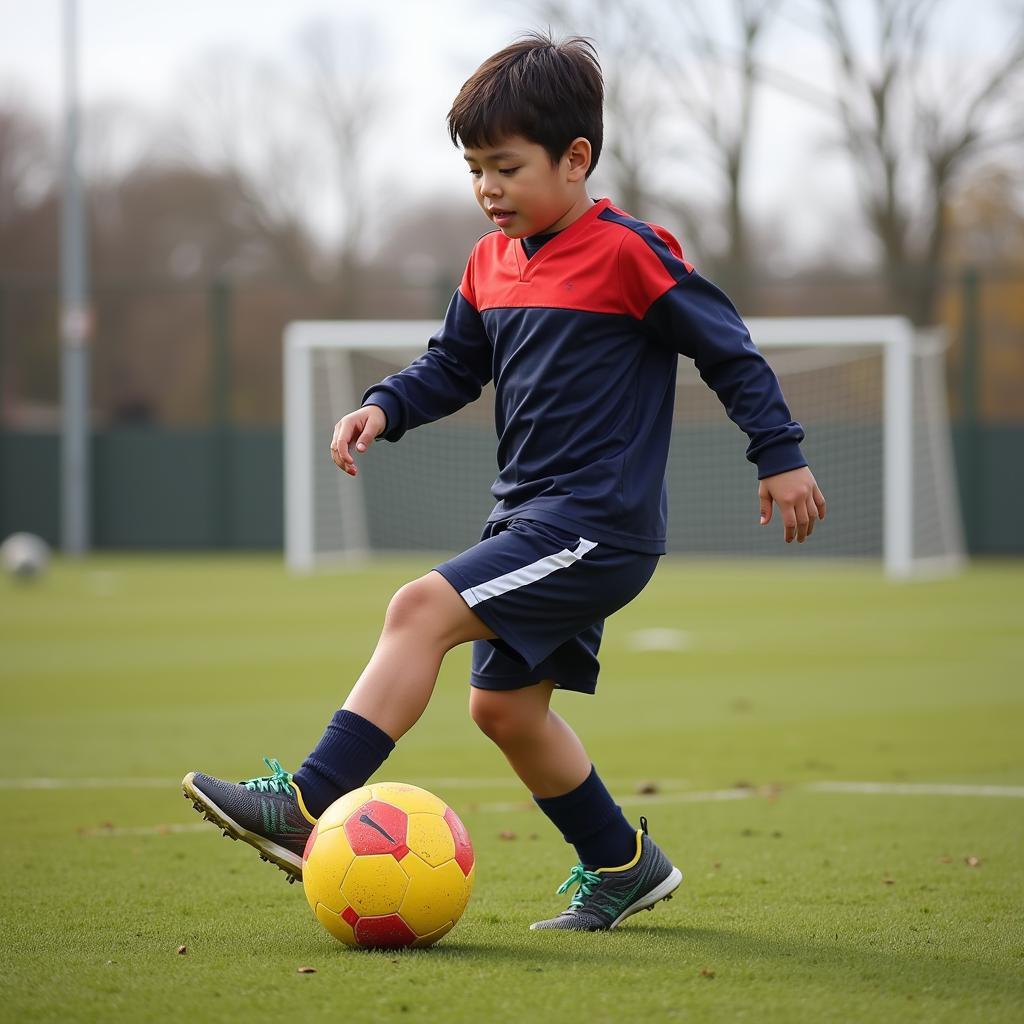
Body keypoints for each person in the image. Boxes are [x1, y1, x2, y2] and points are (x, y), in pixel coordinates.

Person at [183, 32, 826, 932]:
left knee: (417, 609)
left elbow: (729, 349)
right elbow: (454, 364)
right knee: (506, 711)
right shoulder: (490, 262)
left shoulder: (630, 254)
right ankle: (625, 864)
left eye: (506, 166)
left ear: (576, 158)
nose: (488, 187)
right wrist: (384, 406)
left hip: (597, 523)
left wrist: (780, 453)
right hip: (528, 518)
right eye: (475, 168)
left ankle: (306, 801)